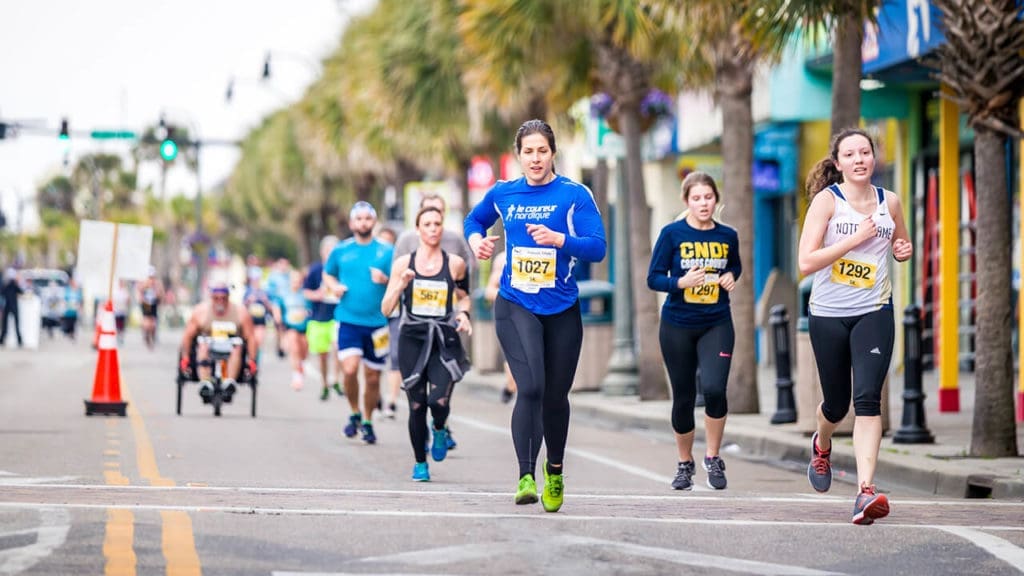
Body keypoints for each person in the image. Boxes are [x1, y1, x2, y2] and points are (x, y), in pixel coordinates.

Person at [464, 119, 606, 512]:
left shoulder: (574, 195)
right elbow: (473, 220)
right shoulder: (504, 193)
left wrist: (560, 239)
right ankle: (526, 475)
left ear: (553, 153)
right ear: (519, 155)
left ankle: (555, 471)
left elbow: (597, 248)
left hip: (562, 308)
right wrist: (478, 242)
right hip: (516, 303)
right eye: (529, 151)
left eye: (542, 150)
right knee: (530, 388)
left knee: (556, 397)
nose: (536, 158)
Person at [798, 128, 913, 526]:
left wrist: (903, 251)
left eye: (865, 152)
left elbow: (900, 246)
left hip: (873, 311)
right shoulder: (827, 202)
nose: (860, 159)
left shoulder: (890, 202)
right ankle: (823, 442)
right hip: (828, 313)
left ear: (873, 158)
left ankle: (865, 491)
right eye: (851, 154)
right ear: (838, 163)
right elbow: (806, 262)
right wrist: (853, 240)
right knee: (836, 404)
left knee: (867, 400)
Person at [647, 172, 741, 491]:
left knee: (715, 388)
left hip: (717, 322)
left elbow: (735, 266)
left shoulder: (727, 235)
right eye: (696, 198)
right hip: (677, 325)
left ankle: (713, 457)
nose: (703, 204)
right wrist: (679, 283)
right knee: (684, 397)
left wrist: (731, 277)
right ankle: (685, 463)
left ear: (716, 199)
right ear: (686, 201)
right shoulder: (672, 234)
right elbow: (654, 278)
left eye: (708, 197)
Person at [382, 206, 473, 481]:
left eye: (437, 224)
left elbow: (464, 296)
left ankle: (440, 427)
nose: (433, 228)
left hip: (443, 338)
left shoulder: (455, 263)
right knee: (417, 404)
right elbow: (386, 309)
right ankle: (420, 463)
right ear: (418, 229)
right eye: (427, 224)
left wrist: (464, 314)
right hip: (413, 337)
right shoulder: (403, 264)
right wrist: (400, 284)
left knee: (438, 400)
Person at [324, 201, 394, 445]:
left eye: (367, 218)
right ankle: (354, 412)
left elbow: (398, 281)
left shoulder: (387, 251)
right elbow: (328, 273)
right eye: (359, 219)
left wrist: (385, 279)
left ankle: (367, 420)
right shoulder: (341, 251)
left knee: (373, 377)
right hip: (348, 320)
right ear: (352, 223)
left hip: (378, 323)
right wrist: (333, 286)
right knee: (350, 369)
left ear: (373, 222)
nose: (363, 222)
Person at [179, 283, 259, 401]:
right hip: (208, 345)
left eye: (223, 298)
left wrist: (252, 360)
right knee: (202, 346)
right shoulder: (201, 311)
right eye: (216, 298)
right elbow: (187, 336)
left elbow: (250, 337)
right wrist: (185, 358)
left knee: (237, 347)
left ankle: (229, 382)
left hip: (231, 347)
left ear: (228, 297)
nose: (220, 301)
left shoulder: (240, 312)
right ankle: (205, 383)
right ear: (212, 298)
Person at [304, 235, 344, 401]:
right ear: (322, 252)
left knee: (339, 349)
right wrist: (317, 295)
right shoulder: (315, 270)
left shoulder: (342, 270)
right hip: (319, 318)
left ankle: (336, 380)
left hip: (338, 316)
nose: (330, 254)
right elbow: (305, 291)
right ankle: (324, 383)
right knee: (322, 355)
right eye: (328, 251)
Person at [485, 250, 517, 403]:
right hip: (509, 315)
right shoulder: (503, 258)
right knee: (514, 371)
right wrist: (512, 296)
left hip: (538, 314)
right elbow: (489, 291)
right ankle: (510, 387)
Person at [281, 269, 311, 390]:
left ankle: (301, 365)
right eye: (294, 281)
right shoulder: (284, 296)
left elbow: (310, 311)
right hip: (290, 328)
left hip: (304, 328)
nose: (296, 283)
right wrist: (282, 334)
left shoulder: (305, 295)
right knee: (294, 348)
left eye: (298, 281)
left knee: (303, 353)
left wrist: (306, 313)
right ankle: (296, 376)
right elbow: (280, 313)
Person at [243, 268, 278, 364]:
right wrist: (249, 301)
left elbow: (271, 307)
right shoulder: (247, 291)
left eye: (257, 279)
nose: (256, 281)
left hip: (261, 321)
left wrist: (266, 301)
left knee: (258, 341)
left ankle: (255, 362)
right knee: (250, 342)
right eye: (254, 279)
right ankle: (250, 359)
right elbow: (242, 307)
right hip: (250, 321)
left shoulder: (264, 292)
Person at [138, 267, 164, 349]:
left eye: (152, 276)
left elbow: (161, 294)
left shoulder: (157, 283)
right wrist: (146, 286)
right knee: (146, 321)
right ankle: (146, 334)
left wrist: (157, 291)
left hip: (154, 303)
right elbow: (140, 291)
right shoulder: (144, 282)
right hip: (146, 303)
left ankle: (152, 336)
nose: (151, 279)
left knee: (153, 323)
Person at [0, 268, 24, 347]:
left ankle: (3, 339)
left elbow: (2, 292)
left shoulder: (7, 284)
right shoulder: (12, 284)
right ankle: (18, 340)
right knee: (14, 324)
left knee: (6, 324)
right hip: (12, 306)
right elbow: (21, 292)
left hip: (8, 305)